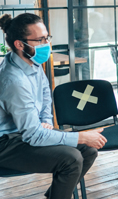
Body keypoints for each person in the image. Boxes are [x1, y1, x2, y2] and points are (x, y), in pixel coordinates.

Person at [0, 13, 107, 199]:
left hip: (24, 134)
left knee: (88, 151)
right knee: (71, 159)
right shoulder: (13, 80)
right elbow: (33, 135)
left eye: (47, 38)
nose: (46, 44)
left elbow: (45, 96)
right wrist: (80, 136)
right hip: (6, 144)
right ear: (19, 44)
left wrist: (46, 121)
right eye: (40, 40)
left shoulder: (31, 62)